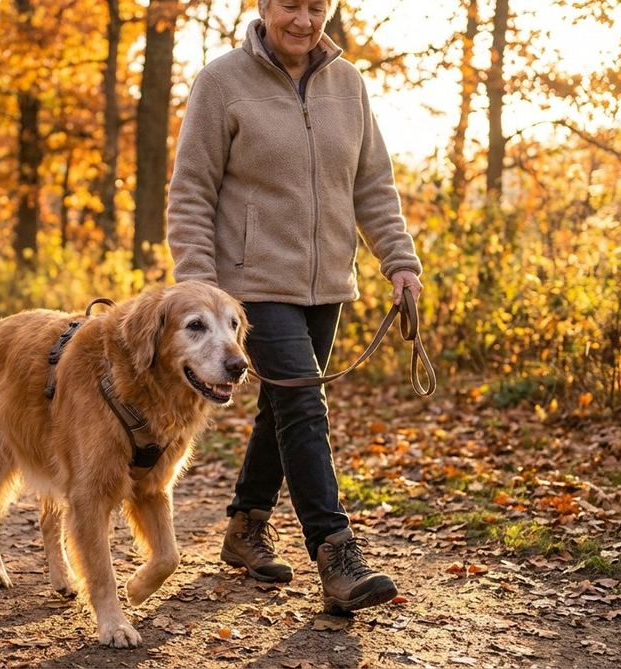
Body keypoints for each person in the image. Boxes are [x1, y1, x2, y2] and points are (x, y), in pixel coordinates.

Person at [166, 0, 423, 614]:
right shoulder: (222, 81)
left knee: (282, 407)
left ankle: (246, 526)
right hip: (248, 286)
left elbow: (372, 183)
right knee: (305, 403)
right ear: (263, 7)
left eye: (317, 6)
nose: (304, 20)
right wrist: (202, 288)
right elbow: (191, 190)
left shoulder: (349, 83)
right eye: (291, 5)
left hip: (328, 282)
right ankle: (336, 555)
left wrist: (400, 260)